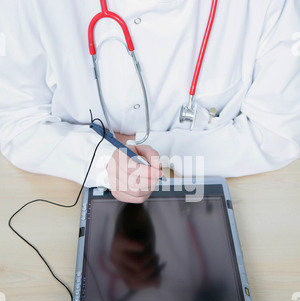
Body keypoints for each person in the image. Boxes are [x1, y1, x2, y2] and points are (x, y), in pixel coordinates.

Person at [0, 0, 299, 204]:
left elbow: (279, 132)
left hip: (209, 204)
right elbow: (16, 118)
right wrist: (100, 161)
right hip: (68, 198)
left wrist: (154, 151)